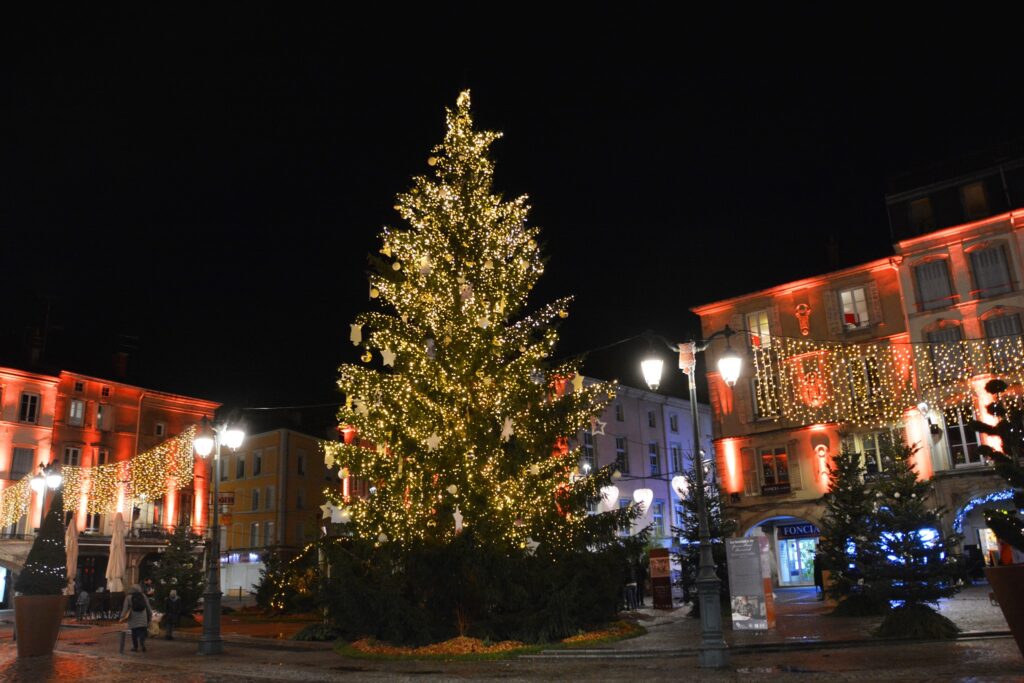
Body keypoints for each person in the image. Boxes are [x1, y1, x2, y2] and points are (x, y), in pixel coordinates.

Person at [120, 584, 153, 652]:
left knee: (134, 633)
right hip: (143, 616)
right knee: (142, 631)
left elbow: (125, 608)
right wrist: (150, 614)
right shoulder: (143, 596)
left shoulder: (128, 597)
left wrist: (122, 617)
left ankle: (135, 647)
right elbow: (148, 606)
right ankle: (142, 642)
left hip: (133, 617)